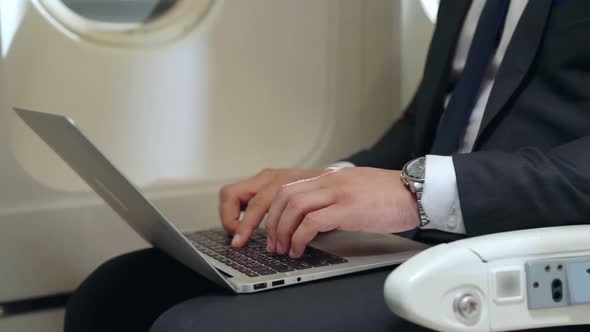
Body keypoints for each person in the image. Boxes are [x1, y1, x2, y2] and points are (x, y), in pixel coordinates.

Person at [64, 0, 590, 331]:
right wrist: (323, 184)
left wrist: (415, 193)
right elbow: (422, 125)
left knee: (195, 325)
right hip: (419, 234)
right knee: (113, 293)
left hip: (525, 249)